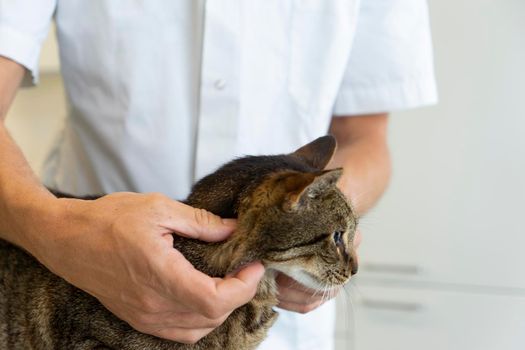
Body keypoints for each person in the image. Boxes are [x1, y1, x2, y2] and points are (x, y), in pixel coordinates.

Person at [0, 1, 437, 349]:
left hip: (285, 320)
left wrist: (326, 230)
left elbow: (365, 141)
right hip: (90, 281)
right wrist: (56, 233)